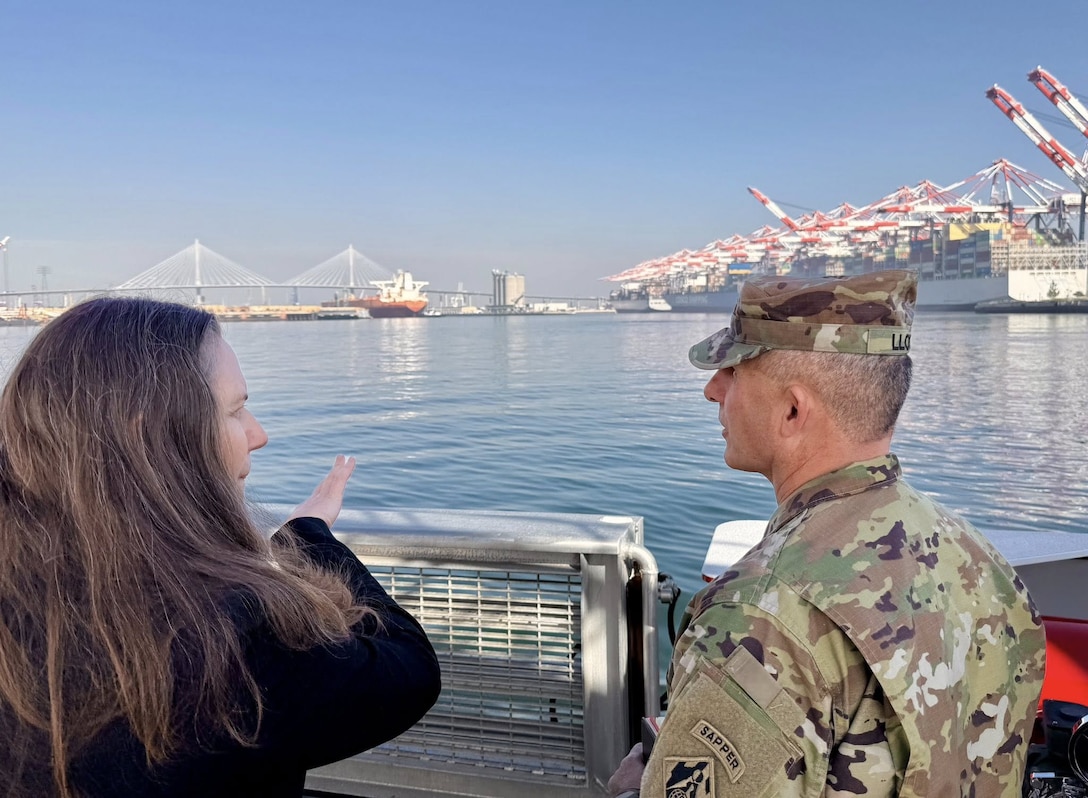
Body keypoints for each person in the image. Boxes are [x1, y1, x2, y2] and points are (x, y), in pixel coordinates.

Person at [608, 269, 1045, 797]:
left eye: (733, 371)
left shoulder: (763, 613)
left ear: (792, 410)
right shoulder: (978, 558)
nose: (712, 389)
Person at [0, 297, 442, 797]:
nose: (259, 435)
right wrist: (309, 539)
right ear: (149, 439)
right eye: (235, 411)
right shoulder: (237, 635)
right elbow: (410, 673)